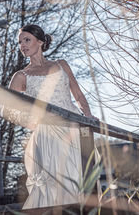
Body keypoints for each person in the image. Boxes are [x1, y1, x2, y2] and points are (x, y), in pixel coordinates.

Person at [8, 24, 94, 209]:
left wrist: (88, 117)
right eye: (20, 42)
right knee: (53, 186)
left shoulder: (61, 65)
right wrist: (29, 121)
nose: (22, 45)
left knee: (75, 182)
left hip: (72, 128)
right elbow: (8, 108)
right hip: (47, 133)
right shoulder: (21, 76)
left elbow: (78, 95)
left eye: (27, 40)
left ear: (40, 42)